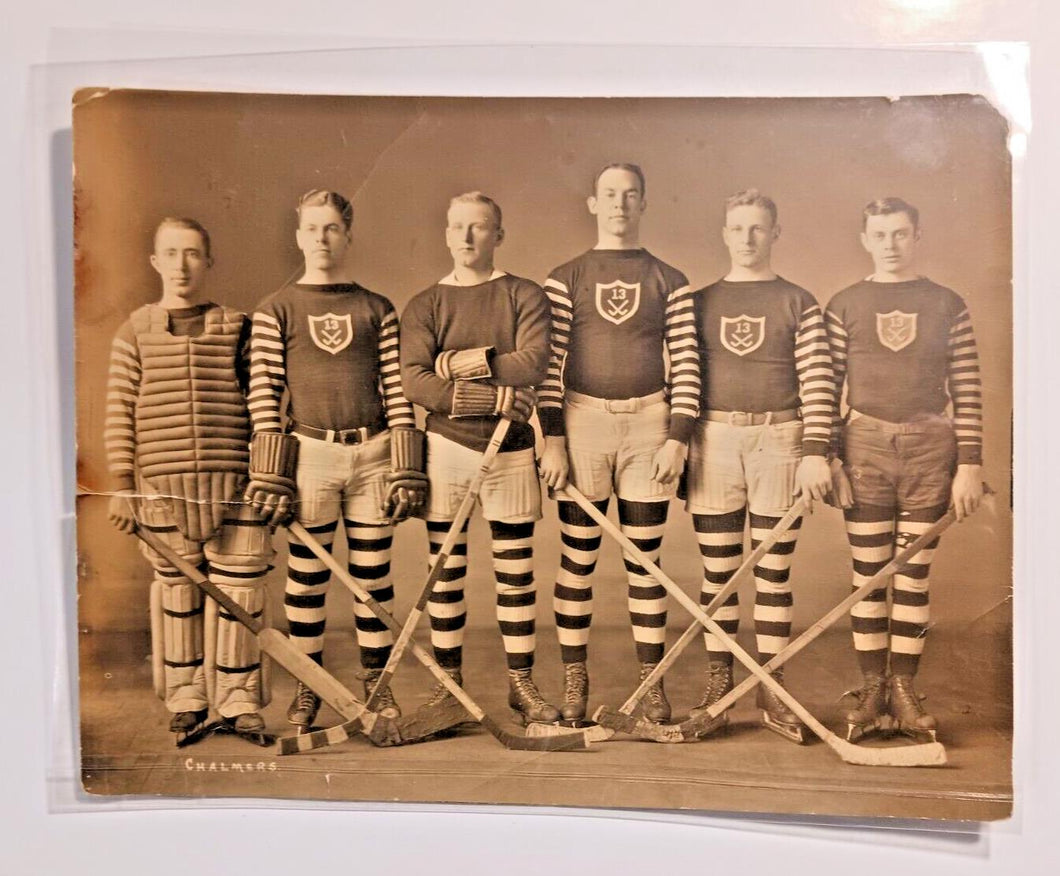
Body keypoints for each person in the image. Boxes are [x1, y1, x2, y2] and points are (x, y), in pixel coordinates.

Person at [247, 189, 425, 732]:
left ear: (347, 236)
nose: (321, 239)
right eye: (311, 229)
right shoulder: (275, 309)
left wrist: (404, 464)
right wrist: (271, 473)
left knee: (373, 579)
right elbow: (264, 395)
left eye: (331, 229)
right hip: (310, 457)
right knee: (306, 580)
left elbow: (397, 392)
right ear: (297, 235)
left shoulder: (377, 308)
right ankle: (310, 690)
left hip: (371, 455)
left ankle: (378, 688)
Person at [537, 163, 700, 724]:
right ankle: (574, 682)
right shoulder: (565, 277)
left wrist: (678, 438)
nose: (619, 204)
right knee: (577, 559)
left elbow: (686, 363)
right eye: (609, 195)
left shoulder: (669, 280)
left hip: (649, 423)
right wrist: (552, 440)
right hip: (582, 423)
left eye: (631, 194)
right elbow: (548, 366)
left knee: (644, 563)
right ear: (592, 203)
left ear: (644, 203)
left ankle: (651, 685)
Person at [105, 217, 277, 744]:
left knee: (240, 594)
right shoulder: (134, 332)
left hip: (236, 482)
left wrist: (268, 474)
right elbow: (119, 411)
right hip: (161, 485)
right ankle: (186, 696)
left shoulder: (238, 328)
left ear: (209, 262)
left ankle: (240, 699)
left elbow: (266, 403)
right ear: (155, 261)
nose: (182, 266)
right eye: (171, 254)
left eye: (193, 254)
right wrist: (121, 483)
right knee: (177, 592)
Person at [826, 197, 984, 742]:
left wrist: (970, 465)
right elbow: (824, 389)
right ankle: (872, 690)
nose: (890, 243)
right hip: (864, 443)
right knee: (870, 575)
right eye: (880, 234)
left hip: (929, 448)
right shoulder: (844, 303)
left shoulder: (947, 303)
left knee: (913, 576)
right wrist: (828, 455)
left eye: (900, 233)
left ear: (917, 235)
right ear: (865, 238)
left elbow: (966, 388)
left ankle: (904, 690)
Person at [400, 191, 559, 725]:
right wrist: (490, 394)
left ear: (499, 235)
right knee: (444, 574)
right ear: (446, 234)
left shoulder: (524, 294)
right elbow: (414, 382)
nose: (467, 237)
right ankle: (448, 690)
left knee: (516, 575)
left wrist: (451, 363)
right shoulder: (425, 304)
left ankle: (522, 685)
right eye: (458, 226)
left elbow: (533, 363)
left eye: (480, 227)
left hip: (511, 448)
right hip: (445, 448)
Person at [682, 190, 834, 743]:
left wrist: (816, 450)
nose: (747, 238)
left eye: (758, 228)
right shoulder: (697, 302)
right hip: (715, 439)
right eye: (737, 228)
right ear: (724, 233)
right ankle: (718, 690)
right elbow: (683, 380)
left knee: (772, 573)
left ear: (775, 233)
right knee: (718, 574)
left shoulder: (799, 300)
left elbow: (819, 380)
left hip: (781, 438)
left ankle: (775, 689)